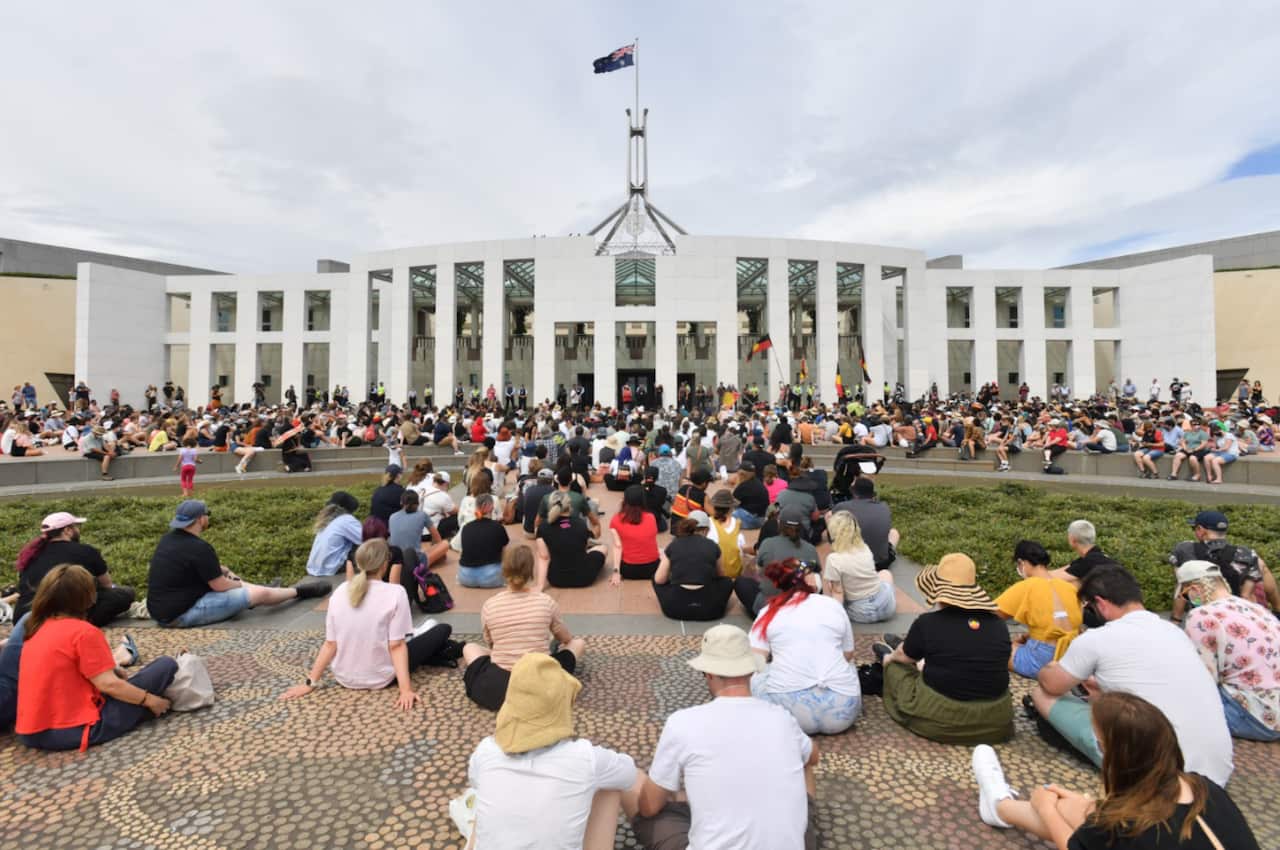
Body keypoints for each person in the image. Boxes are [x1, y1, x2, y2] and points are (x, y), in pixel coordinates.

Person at [972, 691, 1260, 850]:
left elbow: (1075, 844)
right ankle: (1001, 806)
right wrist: (1073, 803)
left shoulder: (1123, 827)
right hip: (1122, 820)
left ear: (1117, 756)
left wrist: (1045, 807)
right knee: (1086, 813)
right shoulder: (1203, 786)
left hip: (1115, 826)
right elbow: (1106, 819)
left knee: (1077, 815)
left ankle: (1001, 806)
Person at [1031, 565, 1233, 785]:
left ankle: (1106, 759)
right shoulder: (1175, 632)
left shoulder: (1096, 639)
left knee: (1041, 694)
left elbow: (1052, 685)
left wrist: (1048, 667)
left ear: (1100, 603)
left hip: (1157, 777)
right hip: (1217, 771)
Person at [624, 624, 819, 850]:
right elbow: (813, 756)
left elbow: (649, 807)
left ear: (708, 673)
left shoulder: (683, 723)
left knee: (629, 778)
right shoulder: (782, 718)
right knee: (804, 757)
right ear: (751, 670)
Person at [466, 653, 637, 850]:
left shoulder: (487, 749)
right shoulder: (585, 757)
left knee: (486, 800)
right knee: (610, 785)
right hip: (592, 770)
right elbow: (629, 773)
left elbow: (476, 783)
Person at [15, 564, 178, 751]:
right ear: (88, 597)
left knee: (128, 685)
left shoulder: (36, 629)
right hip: (75, 729)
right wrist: (149, 700)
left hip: (30, 732)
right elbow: (109, 685)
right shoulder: (83, 632)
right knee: (165, 666)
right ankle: (147, 708)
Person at [279, 539, 453, 711]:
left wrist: (310, 683)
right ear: (385, 564)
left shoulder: (340, 591)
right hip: (381, 677)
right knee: (442, 629)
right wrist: (405, 690)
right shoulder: (396, 592)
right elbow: (397, 646)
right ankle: (434, 642)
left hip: (344, 677)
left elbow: (330, 644)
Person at [876, 553, 1014, 744]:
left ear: (939, 590)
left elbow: (903, 657)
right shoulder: (998, 624)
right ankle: (921, 658)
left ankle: (902, 655)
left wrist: (890, 660)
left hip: (943, 716)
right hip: (996, 721)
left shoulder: (928, 623)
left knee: (896, 667)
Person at [148, 500, 330, 627]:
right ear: (200, 519)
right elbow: (219, 586)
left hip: (162, 610)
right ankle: (298, 592)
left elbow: (190, 567)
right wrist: (237, 583)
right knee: (259, 593)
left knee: (227, 573)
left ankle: (266, 592)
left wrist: (226, 572)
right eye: (207, 515)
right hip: (181, 614)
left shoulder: (169, 540)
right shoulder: (199, 548)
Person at [461, 546, 585, 711]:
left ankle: (513, 654)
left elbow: (491, 644)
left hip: (501, 689)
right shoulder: (545, 601)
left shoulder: (490, 605)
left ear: (504, 570)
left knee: (469, 647)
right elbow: (566, 639)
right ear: (531, 572)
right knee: (579, 643)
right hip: (541, 685)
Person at [749, 559, 861, 735]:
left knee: (757, 676)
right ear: (809, 581)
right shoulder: (833, 606)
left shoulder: (768, 613)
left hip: (789, 716)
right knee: (849, 665)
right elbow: (847, 654)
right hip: (843, 713)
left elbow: (755, 661)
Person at [1177, 560, 1280, 741]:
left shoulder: (1202, 615)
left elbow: (1204, 679)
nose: (1187, 600)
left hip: (1256, 717)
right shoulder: (1257, 609)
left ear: (1194, 589)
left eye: (1185, 595)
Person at [13, 511, 136, 628]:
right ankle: (81, 623)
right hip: (63, 616)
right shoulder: (86, 551)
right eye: (76, 527)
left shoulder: (30, 555)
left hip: (25, 618)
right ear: (67, 530)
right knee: (124, 594)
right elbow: (107, 585)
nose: (78, 530)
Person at [1168, 510, 1278, 619]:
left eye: (1194, 528)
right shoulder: (1247, 554)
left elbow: (1182, 587)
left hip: (1203, 613)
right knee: (1260, 565)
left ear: (1200, 530)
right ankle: (1278, 609)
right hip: (1236, 614)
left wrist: (1176, 619)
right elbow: (1246, 595)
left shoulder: (1184, 549)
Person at [996, 540, 1082, 679]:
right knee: (1017, 644)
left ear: (1021, 563)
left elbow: (991, 615)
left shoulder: (1027, 586)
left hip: (1042, 659)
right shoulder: (1069, 588)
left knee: (995, 650)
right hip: (1070, 657)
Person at [736, 505, 820, 617]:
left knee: (741, 582)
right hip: (800, 606)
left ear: (780, 524)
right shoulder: (811, 549)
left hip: (771, 607)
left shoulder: (767, 543)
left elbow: (759, 568)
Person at [653, 512, 735, 621]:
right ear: (706, 530)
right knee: (727, 582)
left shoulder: (674, 544)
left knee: (655, 577)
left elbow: (659, 580)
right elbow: (721, 576)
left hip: (675, 609)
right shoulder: (713, 546)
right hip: (709, 610)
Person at [822, 510, 895, 624]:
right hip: (887, 607)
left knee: (830, 583)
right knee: (886, 573)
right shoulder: (865, 548)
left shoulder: (833, 559)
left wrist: (832, 613)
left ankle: (828, 605)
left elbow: (838, 593)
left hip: (861, 612)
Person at [536, 492, 607, 588]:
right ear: (569, 505)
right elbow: (584, 544)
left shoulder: (543, 527)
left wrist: (540, 586)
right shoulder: (580, 524)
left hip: (556, 579)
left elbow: (544, 557)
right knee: (603, 548)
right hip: (584, 578)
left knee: (542, 552)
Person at [831, 476, 899, 570]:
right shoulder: (884, 507)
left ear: (853, 491)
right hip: (880, 564)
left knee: (830, 518)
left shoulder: (841, 507)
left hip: (851, 563)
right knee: (894, 532)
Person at [609, 485, 661, 584]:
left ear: (624, 500)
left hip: (628, 570)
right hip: (652, 568)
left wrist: (616, 572)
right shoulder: (651, 518)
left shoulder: (616, 520)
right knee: (662, 551)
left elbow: (617, 546)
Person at [458, 494, 511, 588]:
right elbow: (504, 551)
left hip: (465, 577)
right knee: (505, 547)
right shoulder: (498, 527)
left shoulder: (466, 527)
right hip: (491, 578)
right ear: (491, 507)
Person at [306, 491, 364, 576]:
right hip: (332, 569)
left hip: (314, 569)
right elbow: (367, 538)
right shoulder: (346, 520)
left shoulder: (326, 522)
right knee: (362, 544)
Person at [1048, 519, 1120, 587]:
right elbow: (1061, 570)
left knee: (1072, 583)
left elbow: (1049, 578)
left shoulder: (1089, 562)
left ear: (1073, 540)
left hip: (1111, 598)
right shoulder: (1095, 556)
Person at [730, 460, 769, 529]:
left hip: (751, 520)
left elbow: (731, 503)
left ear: (742, 474)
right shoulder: (758, 482)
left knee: (723, 516)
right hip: (761, 520)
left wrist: (737, 483)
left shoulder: (743, 486)